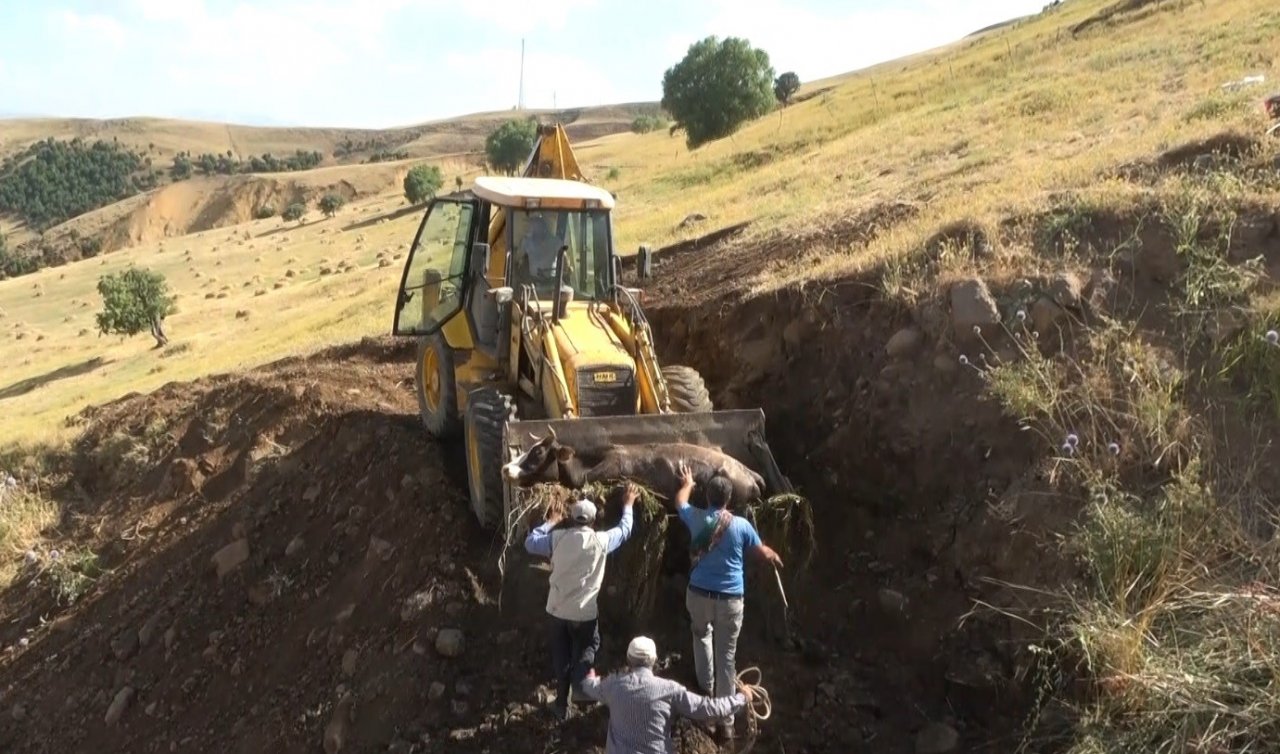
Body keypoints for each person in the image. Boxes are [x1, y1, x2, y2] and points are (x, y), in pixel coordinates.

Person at [673, 463, 782, 741]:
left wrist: (687, 482)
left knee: (701, 637)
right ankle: (727, 722)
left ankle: (706, 695)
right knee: (727, 655)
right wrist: (772, 554)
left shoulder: (696, 517)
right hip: (731, 601)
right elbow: (761, 552)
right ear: (730, 500)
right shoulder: (742, 526)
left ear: (708, 498)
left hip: (699, 595)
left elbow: (680, 502)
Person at [524, 485, 637, 720]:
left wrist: (551, 522)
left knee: (561, 656)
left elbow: (530, 542)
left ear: (572, 520)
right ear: (594, 521)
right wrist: (628, 505)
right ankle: (581, 687)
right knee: (587, 647)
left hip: (556, 611)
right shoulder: (601, 540)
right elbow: (625, 530)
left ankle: (562, 706)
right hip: (585, 613)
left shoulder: (556, 539)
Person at [578, 635, 751, 754]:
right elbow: (708, 709)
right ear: (653, 660)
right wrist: (742, 697)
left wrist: (590, 678)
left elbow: (590, 686)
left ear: (628, 660)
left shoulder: (614, 685)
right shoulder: (669, 690)